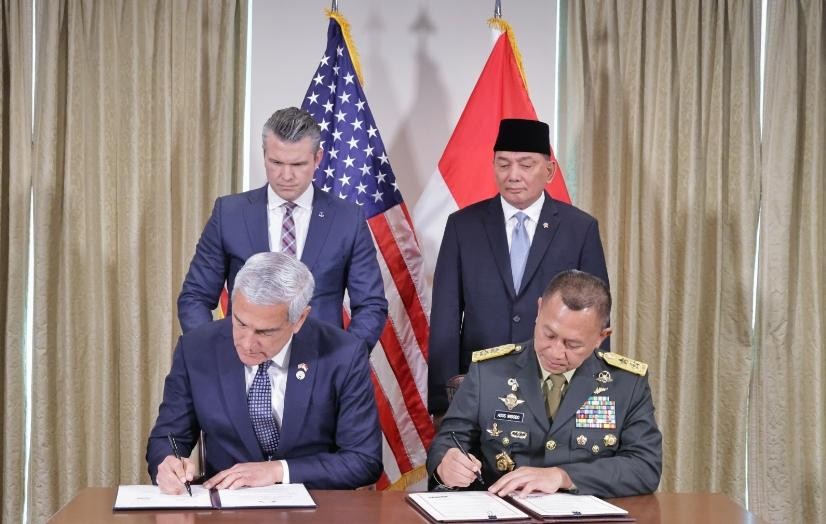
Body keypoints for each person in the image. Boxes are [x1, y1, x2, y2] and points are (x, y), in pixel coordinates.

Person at [148, 252, 382, 492]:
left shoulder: (343, 355)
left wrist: (278, 471)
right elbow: (168, 438)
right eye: (240, 323)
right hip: (227, 503)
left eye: (264, 332)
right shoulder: (196, 349)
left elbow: (364, 459)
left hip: (316, 505)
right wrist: (167, 464)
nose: (246, 343)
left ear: (299, 319)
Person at [428, 118, 609, 415]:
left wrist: (594, 398)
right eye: (503, 164)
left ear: (549, 171)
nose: (513, 175)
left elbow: (596, 317)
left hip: (555, 387)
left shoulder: (579, 229)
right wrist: (442, 402)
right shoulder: (463, 226)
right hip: (477, 387)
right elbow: (445, 319)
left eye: (525, 165)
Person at [426, 270, 661, 498]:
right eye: (549, 335)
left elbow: (645, 466)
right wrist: (446, 464)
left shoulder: (627, 384)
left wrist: (563, 476)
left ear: (602, 337)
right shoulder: (488, 372)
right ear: (539, 310)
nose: (556, 352)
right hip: (504, 510)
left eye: (573, 345)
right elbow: (448, 441)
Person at [177, 107, 388, 349]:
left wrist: (344, 362)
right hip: (243, 362)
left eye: (298, 164)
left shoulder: (347, 219)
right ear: (264, 154)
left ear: (317, 158)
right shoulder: (229, 214)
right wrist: (216, 356)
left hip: (321, 364)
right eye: (276, 162)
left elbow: (371, 305)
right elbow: (195, 297)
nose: (286, 176)